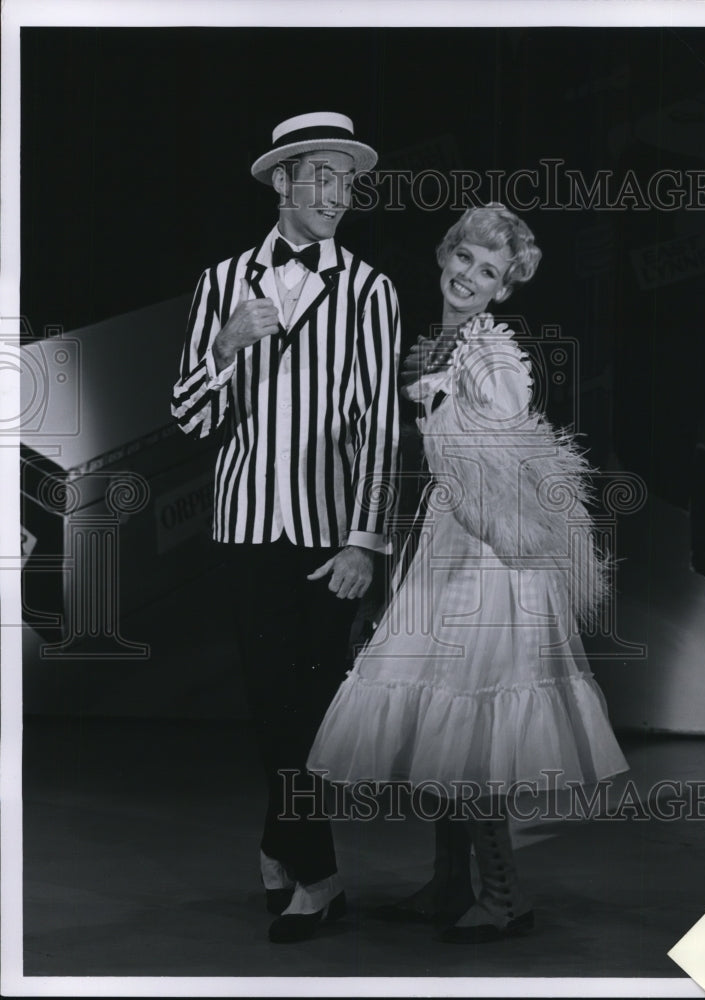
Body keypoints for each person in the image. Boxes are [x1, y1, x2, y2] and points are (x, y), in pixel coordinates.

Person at [307, 203, 628, 943]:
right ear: (445, 256)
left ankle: (505, 897)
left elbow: (509, 420)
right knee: (439, 724)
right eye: (465, 259)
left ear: (503, 290)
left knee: (470, 722)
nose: (470, 277)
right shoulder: (442, 339)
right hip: (450, 539)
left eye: (489, 272)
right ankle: (452, 885)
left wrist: (448, 398)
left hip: (487, 559)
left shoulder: (490, 348)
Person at [171, 112, 401, 943]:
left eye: (347, 183)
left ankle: (304, 866)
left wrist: (363, 542)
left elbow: (379, 427)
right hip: (244, 531)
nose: (337, 196)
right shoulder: (221, 282)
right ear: (282, 183)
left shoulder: (370, 289)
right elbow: (191, 423)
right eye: (322, 179)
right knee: (271, 710)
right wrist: (225, 347)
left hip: (325, 538)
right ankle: (304, 861)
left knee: (310, 714)